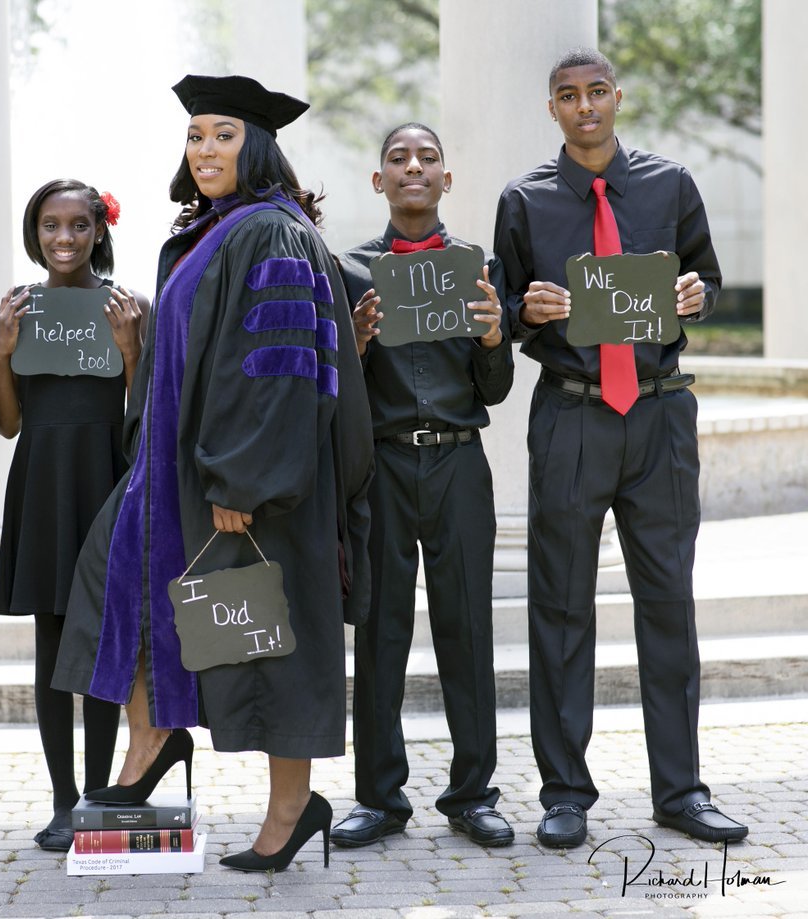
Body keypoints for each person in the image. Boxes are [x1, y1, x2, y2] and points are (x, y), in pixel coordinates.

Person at [53, 73, 373, 873]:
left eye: (223, 136)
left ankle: (294, 808)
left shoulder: (271, 234)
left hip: (250, 487)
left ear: (257, 147)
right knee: (116, 586)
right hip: (175, 479)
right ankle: (153, 741)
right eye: (196, 136)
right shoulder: (211, 231)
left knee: (269, 636)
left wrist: (243, 480)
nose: (204, 150)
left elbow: (280, 371)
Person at [493, 47, 748, 847]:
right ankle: (565, 791)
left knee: (668, 601)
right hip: (571, 416)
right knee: (561, 605)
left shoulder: (670, 185)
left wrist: (698, 293)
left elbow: (706, 279)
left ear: (618, 97)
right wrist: (526, 310)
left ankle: (681, 789)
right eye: (568, 95)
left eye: (597, 92)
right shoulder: (525, 200)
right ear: (553, 109)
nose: (585, 107)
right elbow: (498, 311)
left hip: (660, 416)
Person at [330, 123, 515, 850]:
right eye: (399, 158)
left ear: (446, 179)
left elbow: (493, 391)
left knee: (467, 627)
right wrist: (356, 339)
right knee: (379, 630)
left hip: (458, 463)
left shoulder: (476, 267)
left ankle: (472, 793)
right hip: (381, 465)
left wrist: (496, 338)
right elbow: (337, 389)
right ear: (379, 181)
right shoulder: (351, 271)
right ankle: (379, 796)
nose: (414, 166)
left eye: (429, 158)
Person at [0, 179, 148, 851]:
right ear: (36, 233)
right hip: (42, 482)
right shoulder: (22, 307)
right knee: (52, 643)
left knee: (102, 640)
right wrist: (1, 348)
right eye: (51, 226)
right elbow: (5, 421)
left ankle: (97, 795)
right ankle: (60, 800)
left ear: (98, 231)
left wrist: (132, 348)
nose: (64, 238)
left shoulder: (128, 303)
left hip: (104, 479)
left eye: (78, 226)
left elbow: (145, 413)